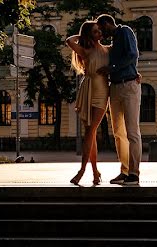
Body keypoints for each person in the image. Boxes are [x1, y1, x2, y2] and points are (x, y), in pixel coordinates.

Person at [97, 14, 142, 185]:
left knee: (132, 132)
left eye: (102, 29)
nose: (101, 33)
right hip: (115, 87)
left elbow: (132, 55)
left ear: (108, 24)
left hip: (129, 85)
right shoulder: (113, 42)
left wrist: (112, 68)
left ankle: (134, 174)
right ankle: (124, 171)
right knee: (118, 133)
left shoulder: (125, 32)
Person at [66, 20, 111, 186]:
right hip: (88, 89)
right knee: (89, 132)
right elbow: (69, 41)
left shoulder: (108, 49)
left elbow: (125, 57)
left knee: (90, 131)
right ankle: (94, 172)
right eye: (95, 31)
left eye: (99, 31)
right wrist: (82, 35)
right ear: (89, 35)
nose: (99, 33)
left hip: (101, 91)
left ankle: (82, 170)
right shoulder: (86, 51)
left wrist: (135, 74)